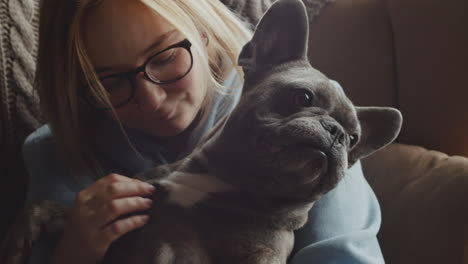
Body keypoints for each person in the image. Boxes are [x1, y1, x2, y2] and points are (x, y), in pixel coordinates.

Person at [23, 0, 385, 263]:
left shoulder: (302, 108)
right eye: (110, 82)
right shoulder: (61, 149)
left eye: (165, 58)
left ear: (204, 33)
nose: (151, 98)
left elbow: (343, 254)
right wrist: (73, 253)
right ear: (73, 87)